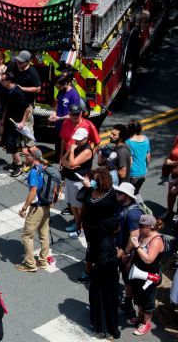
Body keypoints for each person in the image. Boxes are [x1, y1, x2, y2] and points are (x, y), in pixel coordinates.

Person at [83, 173, 120, 338]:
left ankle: (99, 326)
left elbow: (91, 248)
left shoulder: (93, 223)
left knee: (98, 295)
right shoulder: (111, 200)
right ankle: (112, 329)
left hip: (100, 261)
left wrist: (89, 263)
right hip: (110, 260)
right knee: (110, 296)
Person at [15, 148, 61, 272]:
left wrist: (24, 208)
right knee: (43, 234)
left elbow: (33, 192)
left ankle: (30, 264)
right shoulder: (44, 169)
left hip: (36, 209)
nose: (25, 157)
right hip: (46, 206)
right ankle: (42, 261)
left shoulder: (33, 172)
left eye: (26, 155)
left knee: (26, 235)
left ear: (32, 157)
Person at [124, 214, 165, 336]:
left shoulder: (156, 240)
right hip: (138, 273)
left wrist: (136, 246)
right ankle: (140, 318)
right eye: (139, 225)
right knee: (138, 296)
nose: (139, 228)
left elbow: (149, 259)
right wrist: (130, 262)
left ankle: (147, 324)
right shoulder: (143, 235)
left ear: (150, 227)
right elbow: (136, 254)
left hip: (150, 276)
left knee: (148, 299)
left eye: (142, 226)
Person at [0, 72, 33, 177]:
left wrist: (22, 122)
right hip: (9, 121)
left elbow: (27, 108)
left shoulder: (18, 93)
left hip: (16, 123)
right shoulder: (8, 90)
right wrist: (3, 118)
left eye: (3, 80)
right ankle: (14, 163)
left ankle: (18, 165)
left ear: (9, 81)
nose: (1, 81)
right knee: (8, 143)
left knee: (13, 144)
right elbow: (7, 107)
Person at [62, 127, 95, 238]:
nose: (76, 141)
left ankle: (80, 227)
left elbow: (71, 163)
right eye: (76, 139)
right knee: (72, 204)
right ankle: (77, 224)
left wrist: (71, 151)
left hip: (78, 182)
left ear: (85, 139)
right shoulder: (76, 146)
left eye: (79, 139)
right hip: (69, 179)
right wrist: (69, 163)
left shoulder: (86, 150)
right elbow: (63, 160)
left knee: (79, 206)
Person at [126, 120, 151, 194]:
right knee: (136, 193)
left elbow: (130, 161)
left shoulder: (128, 142)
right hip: (143, 174)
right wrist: (146, 168)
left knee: (127, 195)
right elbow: (148, 156)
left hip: (132, 174)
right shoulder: (145, 139)